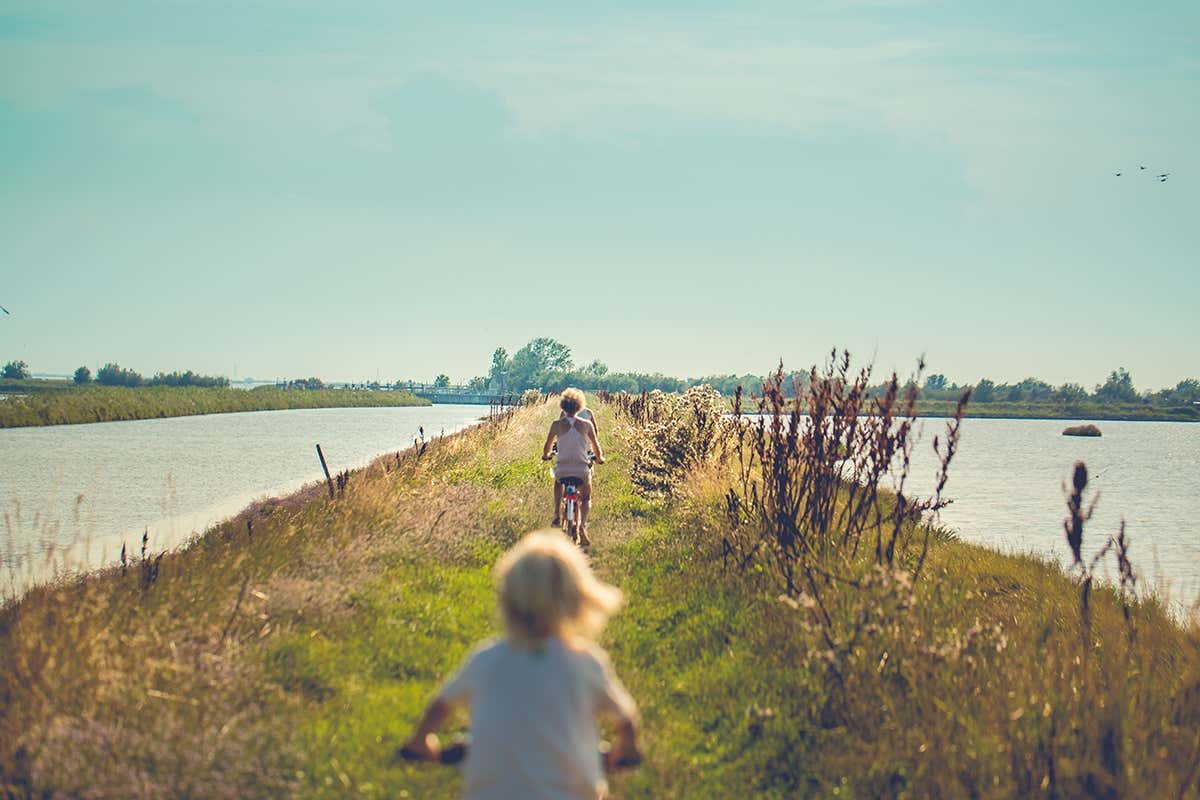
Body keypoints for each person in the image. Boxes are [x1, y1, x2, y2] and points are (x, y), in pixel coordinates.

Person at [402, 530, 642, 800]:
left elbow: (440, 706)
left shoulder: (486, 659)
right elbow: (626, 719)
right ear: (577, 601)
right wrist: (627, 749)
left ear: (507, 599)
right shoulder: (585, 663)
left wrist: (421, 740)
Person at [543, 388, 604, 546]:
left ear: (563, 406)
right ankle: (582, 526)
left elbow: (547, 447)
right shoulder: (586, 424)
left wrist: (546, 455)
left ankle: (557, 514)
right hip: (581, 471)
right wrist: (599, 458)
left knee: (557, 481)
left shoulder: (556, 425)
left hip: (563, 471)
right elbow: (596, 448)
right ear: (580, 406)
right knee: (585, 498)